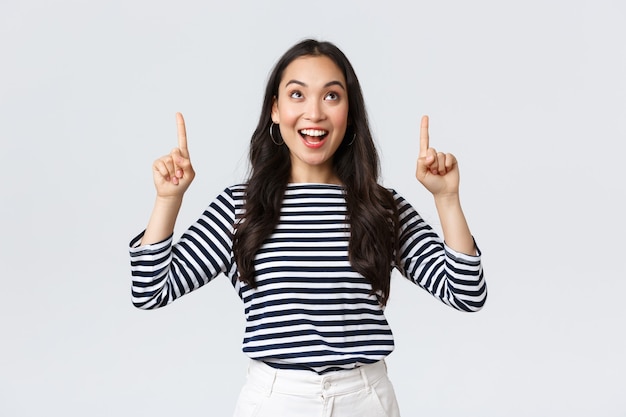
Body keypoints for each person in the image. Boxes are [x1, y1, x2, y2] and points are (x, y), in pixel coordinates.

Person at [129, 39, 486, 417]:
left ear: (349, 112)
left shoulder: (380, 207)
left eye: (331, 96)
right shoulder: (241, 206)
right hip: (275, 401)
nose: (313, 113)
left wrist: (447, 199)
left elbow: (466, 294)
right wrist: (168, 201)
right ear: (275, 110)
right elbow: (151, 290)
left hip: (364, 400)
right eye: (297, 94)